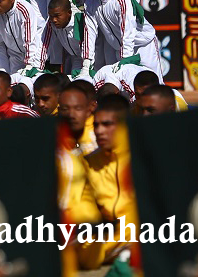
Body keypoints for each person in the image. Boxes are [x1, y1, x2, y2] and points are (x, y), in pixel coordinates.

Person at [80, 94, 135, 269]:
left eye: (107, 124)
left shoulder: (142, 159)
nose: (99, 131)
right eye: (96, 125)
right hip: (100, 240)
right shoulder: (86, 164)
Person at [85, 0, 162, 74]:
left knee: (153, 83)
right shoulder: (90, 3)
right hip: (119, 49)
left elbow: (127, 30)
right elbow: (90, 33)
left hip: (144, 45)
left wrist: (126, 59)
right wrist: (86, 63)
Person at [0, 0, 47, 80]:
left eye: (0, 1)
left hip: (33, 55)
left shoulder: (23, 9)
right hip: (15, 55)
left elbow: (29, 40)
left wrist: (29, 64)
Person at [43, 0, 99, 79]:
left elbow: (88, 45)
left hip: (93, 57)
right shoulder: (52, 23)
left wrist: (86, 67)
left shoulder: (80, 21)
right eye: (51, 16)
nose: (54, 20)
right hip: (76, 57)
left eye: (57, 15)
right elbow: (44, 44)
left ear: (69, 13)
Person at [58, 81, 98, 155]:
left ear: (90, 108)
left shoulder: (98, 138)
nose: (71, 115)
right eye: (65, 108)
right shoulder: (54, 136)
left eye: (78, 108)